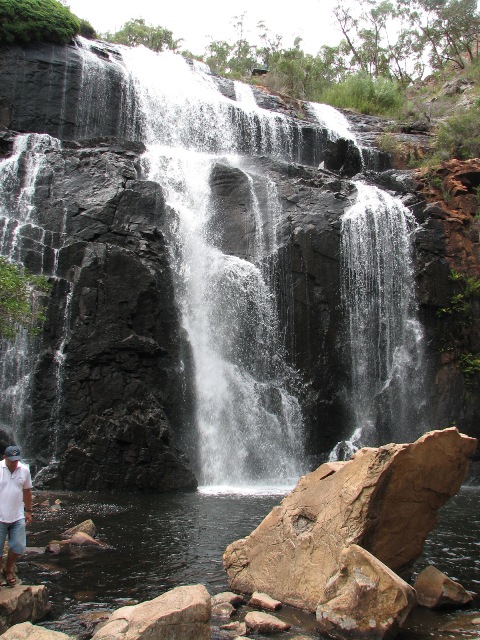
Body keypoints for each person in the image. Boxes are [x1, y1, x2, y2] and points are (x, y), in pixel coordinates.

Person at [0, 445, 32, 586]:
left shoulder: (24, 470)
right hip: (0, 516)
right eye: (11, 460)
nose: (14, 463)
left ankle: (8, 569)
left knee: (19, 546)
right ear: (4, 457)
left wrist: (29, 510)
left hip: (17, 515)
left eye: (16, 460)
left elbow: (27, 491)